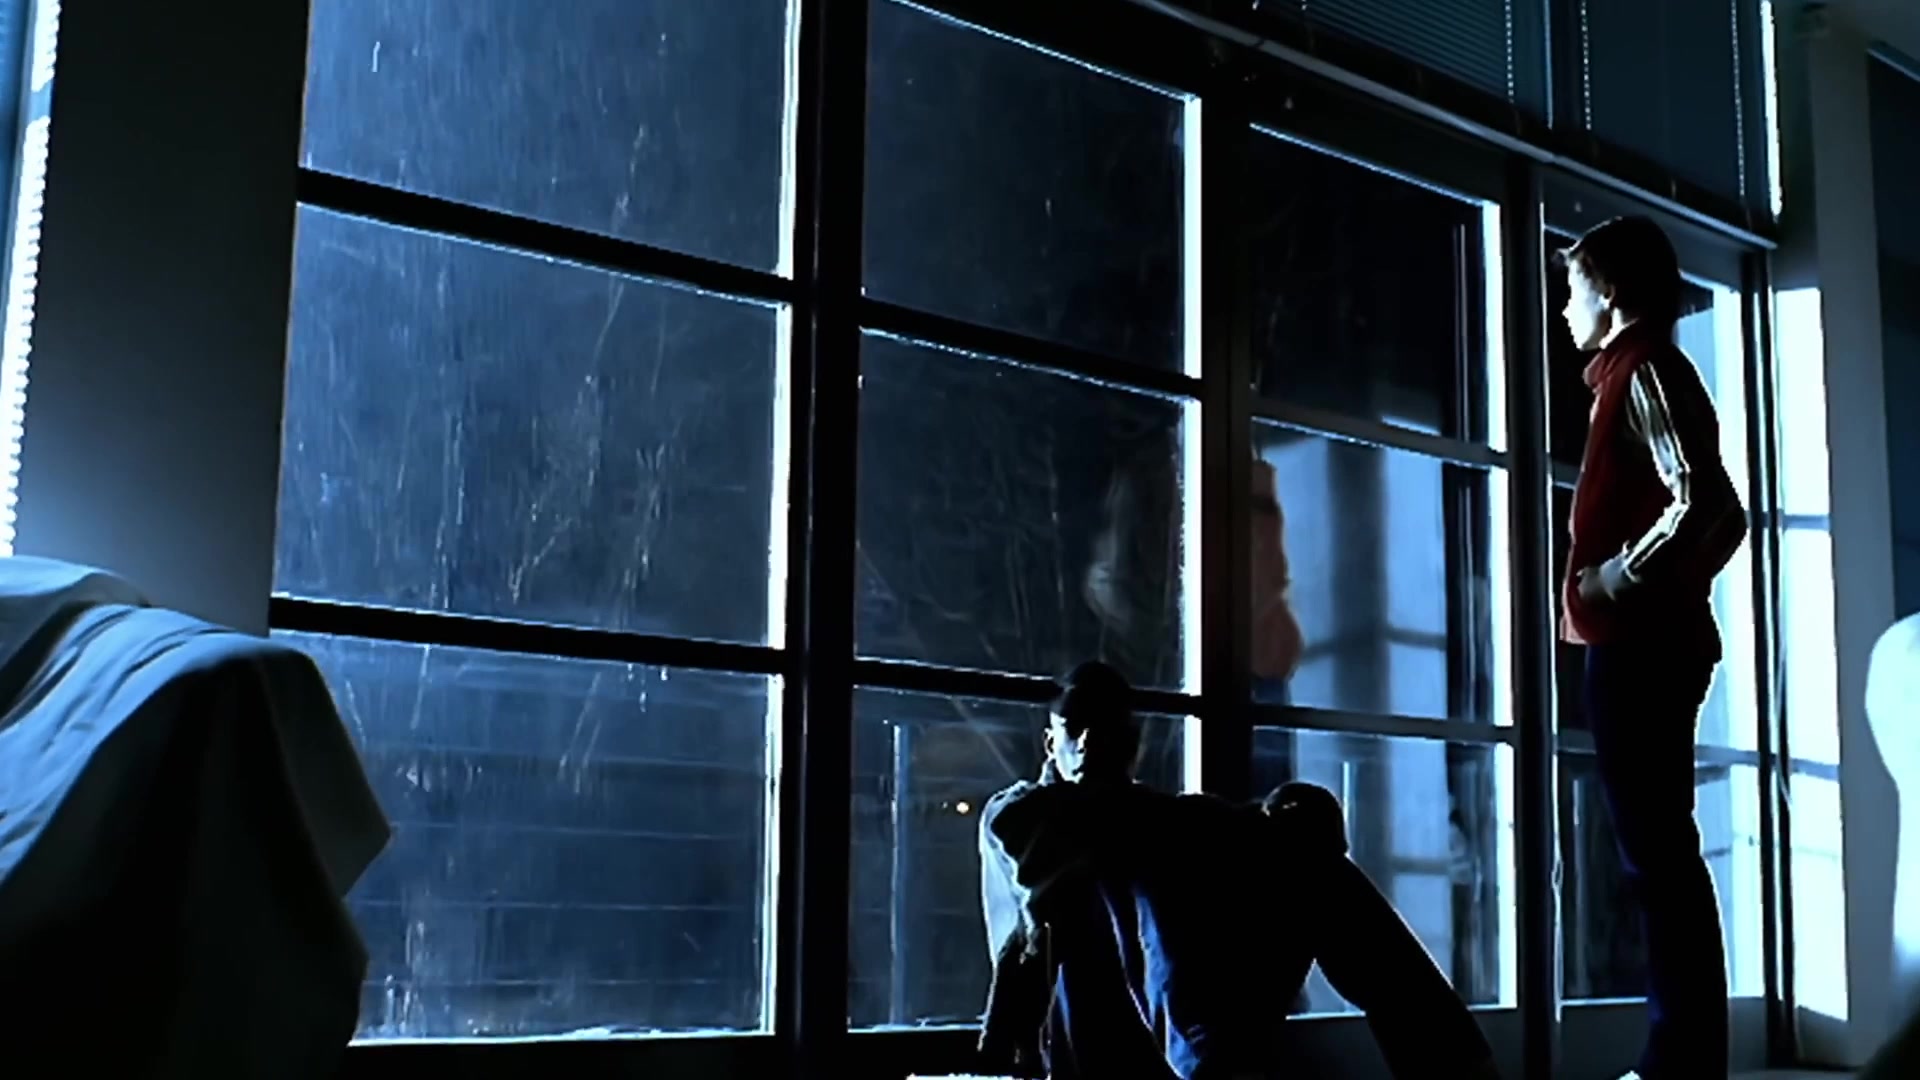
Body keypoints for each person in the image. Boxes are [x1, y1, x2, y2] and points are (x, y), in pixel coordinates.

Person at [975, 661, 1499, 1079]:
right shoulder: (1017, 814)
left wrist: (1287, 815)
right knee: (1135, 855)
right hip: (1092, 1057)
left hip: (1173, 1044)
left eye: (1107, 728)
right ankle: (1455, 1062)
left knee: (1310, 867)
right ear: (1051, 744)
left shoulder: (1165, 819)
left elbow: (1239, 825)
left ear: (1131, 745)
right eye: (1075, 727)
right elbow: (1066, 832)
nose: (1089, 742)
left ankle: (1452, 1063)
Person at [1558, 216, 1747, 1080]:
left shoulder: (1644, 370)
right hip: (1645, 645)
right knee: (1660, 858)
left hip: (1642, 649)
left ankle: (1680, 1058)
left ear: (1611, 293)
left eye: (1574, 290)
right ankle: (1683, 1054)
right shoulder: (1630, 375)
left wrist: (1614, 580)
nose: (1565, 310)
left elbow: (1708, 505)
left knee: (1658, 862)